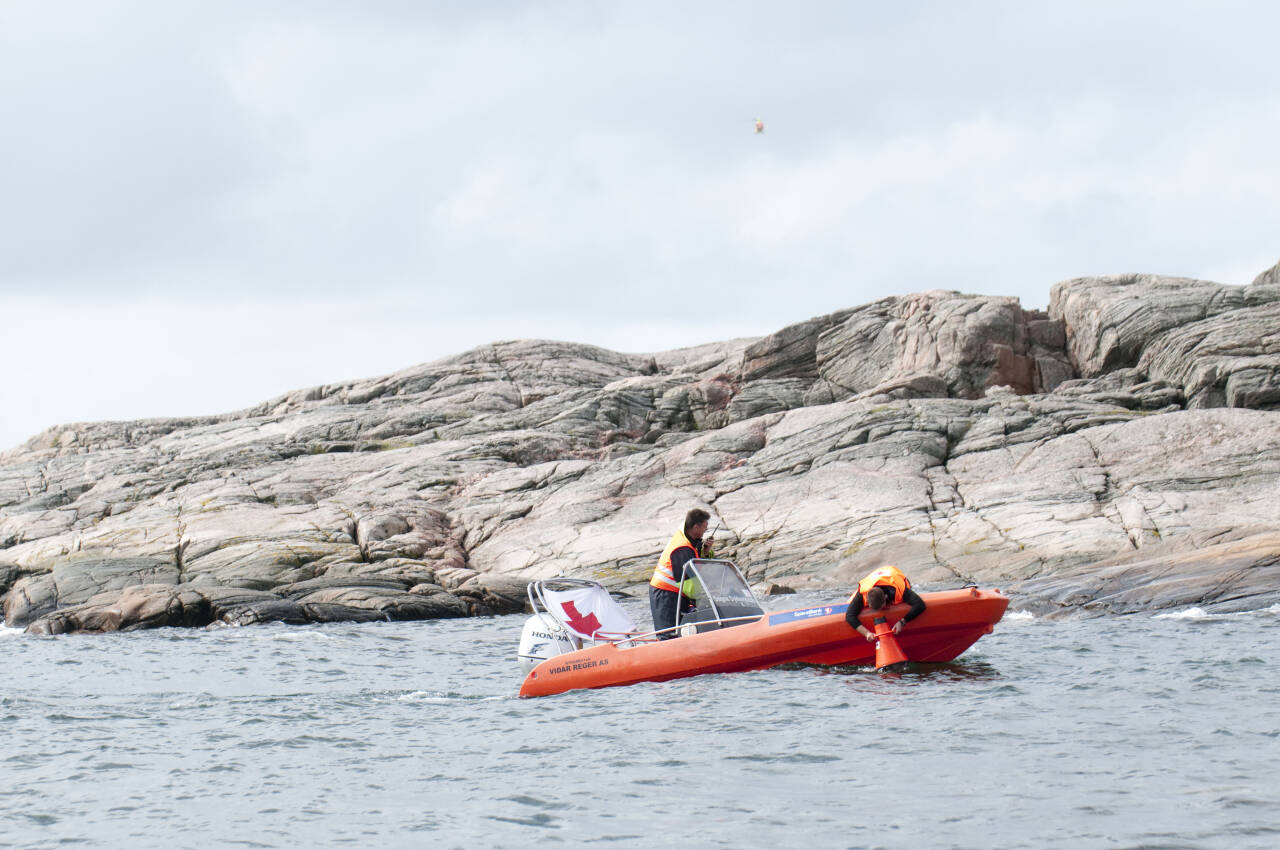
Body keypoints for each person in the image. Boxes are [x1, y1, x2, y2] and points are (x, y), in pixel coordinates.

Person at [649, 508, 715, 639]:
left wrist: (706, 552)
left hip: (676, 593)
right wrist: (707, 598)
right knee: (669, 635)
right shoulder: (682, 548)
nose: (705, 532)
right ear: (696, 527)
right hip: (666, 594)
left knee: (683, 632)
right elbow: (689, 584)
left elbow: (695, 562)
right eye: (704, 528)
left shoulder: (689, 538)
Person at [845, 565, 926, 641]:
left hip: (892, 575)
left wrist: (902, 622)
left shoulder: (899, 589)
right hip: (874, 579)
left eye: (881, 607)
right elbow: (849, 616)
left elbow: (920, 605)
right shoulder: (862, 594)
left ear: (885, 598)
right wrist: (867, 633)